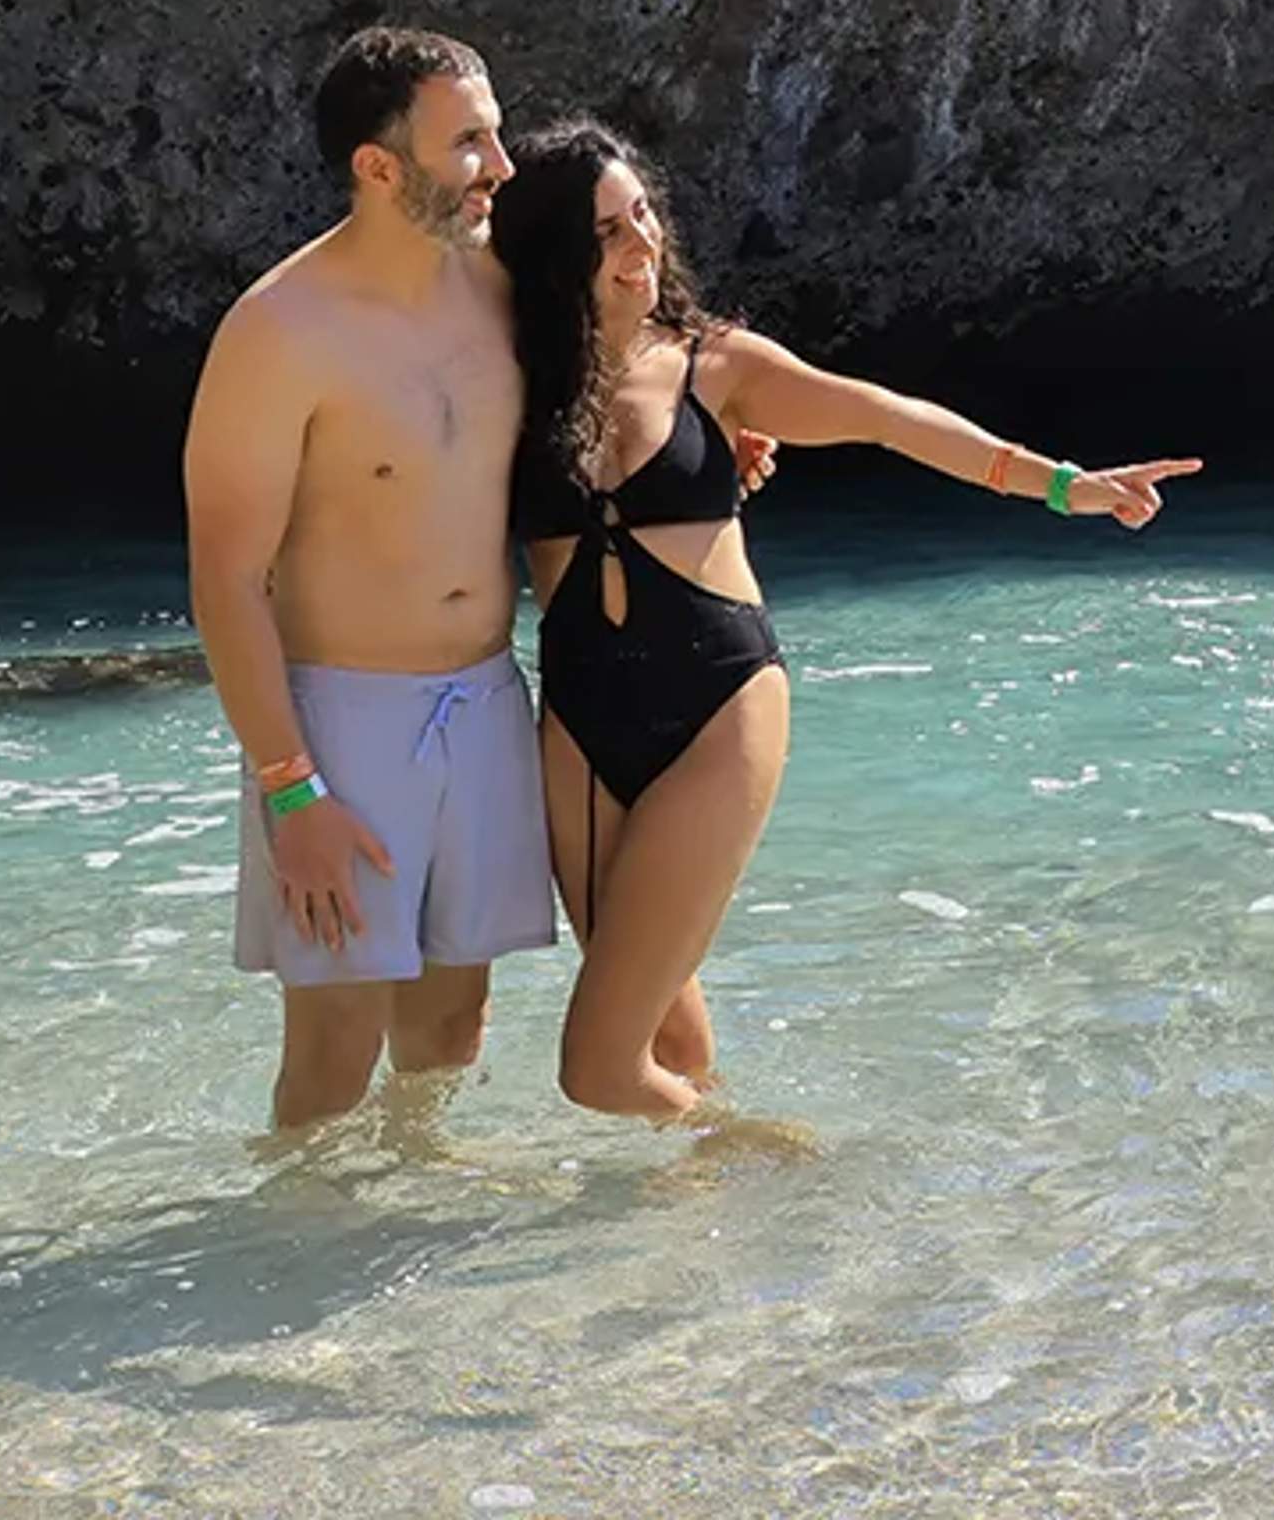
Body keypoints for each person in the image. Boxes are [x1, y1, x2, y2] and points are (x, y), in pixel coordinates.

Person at [490, 118, 1202, 1120]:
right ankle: (693, 1236)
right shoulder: (508, 383)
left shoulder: (716, 365)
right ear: (554, 253)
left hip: (717, 704)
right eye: (606, 230)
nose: (640, 244)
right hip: (580, 722)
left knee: (596, 1069)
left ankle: (770, 1156)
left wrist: (1065, 487)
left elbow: (886, 416)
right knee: (662, 1032)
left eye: (644, 214)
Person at [181, 26, 555, 1132]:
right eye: (470, 143)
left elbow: (633, 377)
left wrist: (719, 444)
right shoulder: (278, 330)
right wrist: (291, 788)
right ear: (378, 166)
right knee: (336, 1044)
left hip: (488, 698)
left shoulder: (497, 290)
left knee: (454, 1025)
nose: (502, 165)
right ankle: (295, 1258)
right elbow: (226, 581)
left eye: (495, 133)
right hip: (341, 718)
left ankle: (410, 1237)